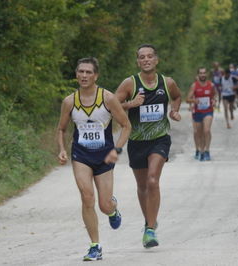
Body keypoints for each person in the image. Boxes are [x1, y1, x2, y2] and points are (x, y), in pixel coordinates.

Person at [57, 57, 131, 261]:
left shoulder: (107, 98)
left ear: (96, 75)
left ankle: (113, 209)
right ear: (76, 74)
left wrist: (117, 149)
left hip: (104, 156)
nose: (84, 75)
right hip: (81, 155)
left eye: (89, 72)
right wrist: (62, 149)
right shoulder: (69, 102)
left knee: (104, 205)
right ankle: (95, 246)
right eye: (81, 72)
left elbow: (126, 125)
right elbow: (61, 129)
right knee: (87, 196)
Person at [115, 44, 181, 248]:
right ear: (138, 62)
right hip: (136, 141)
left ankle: (150, 230)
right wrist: (130, 104)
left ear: (156, 60)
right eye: (142, 57)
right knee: (142, 186)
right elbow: (112, 106)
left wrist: (174, 111)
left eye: (150, 56)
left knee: (153, 180)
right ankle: (149, 222)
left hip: (159, 138)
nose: (146, 60)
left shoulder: (167, 82)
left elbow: (177, 96)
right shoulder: (129, 83)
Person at [187, 67, 216, 161]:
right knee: (198, 133)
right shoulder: (194, 85)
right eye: (201, 73)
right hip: (197, 112)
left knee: (206, 130)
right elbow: (187, 99)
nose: (203, 75)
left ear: (206, 74)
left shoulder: (211, 85)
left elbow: (214, 95)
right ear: (198, 75)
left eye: (204, 73)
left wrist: (214, 100)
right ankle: (199, 150)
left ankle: (206, 151)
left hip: (208, 111)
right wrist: (194, 100)